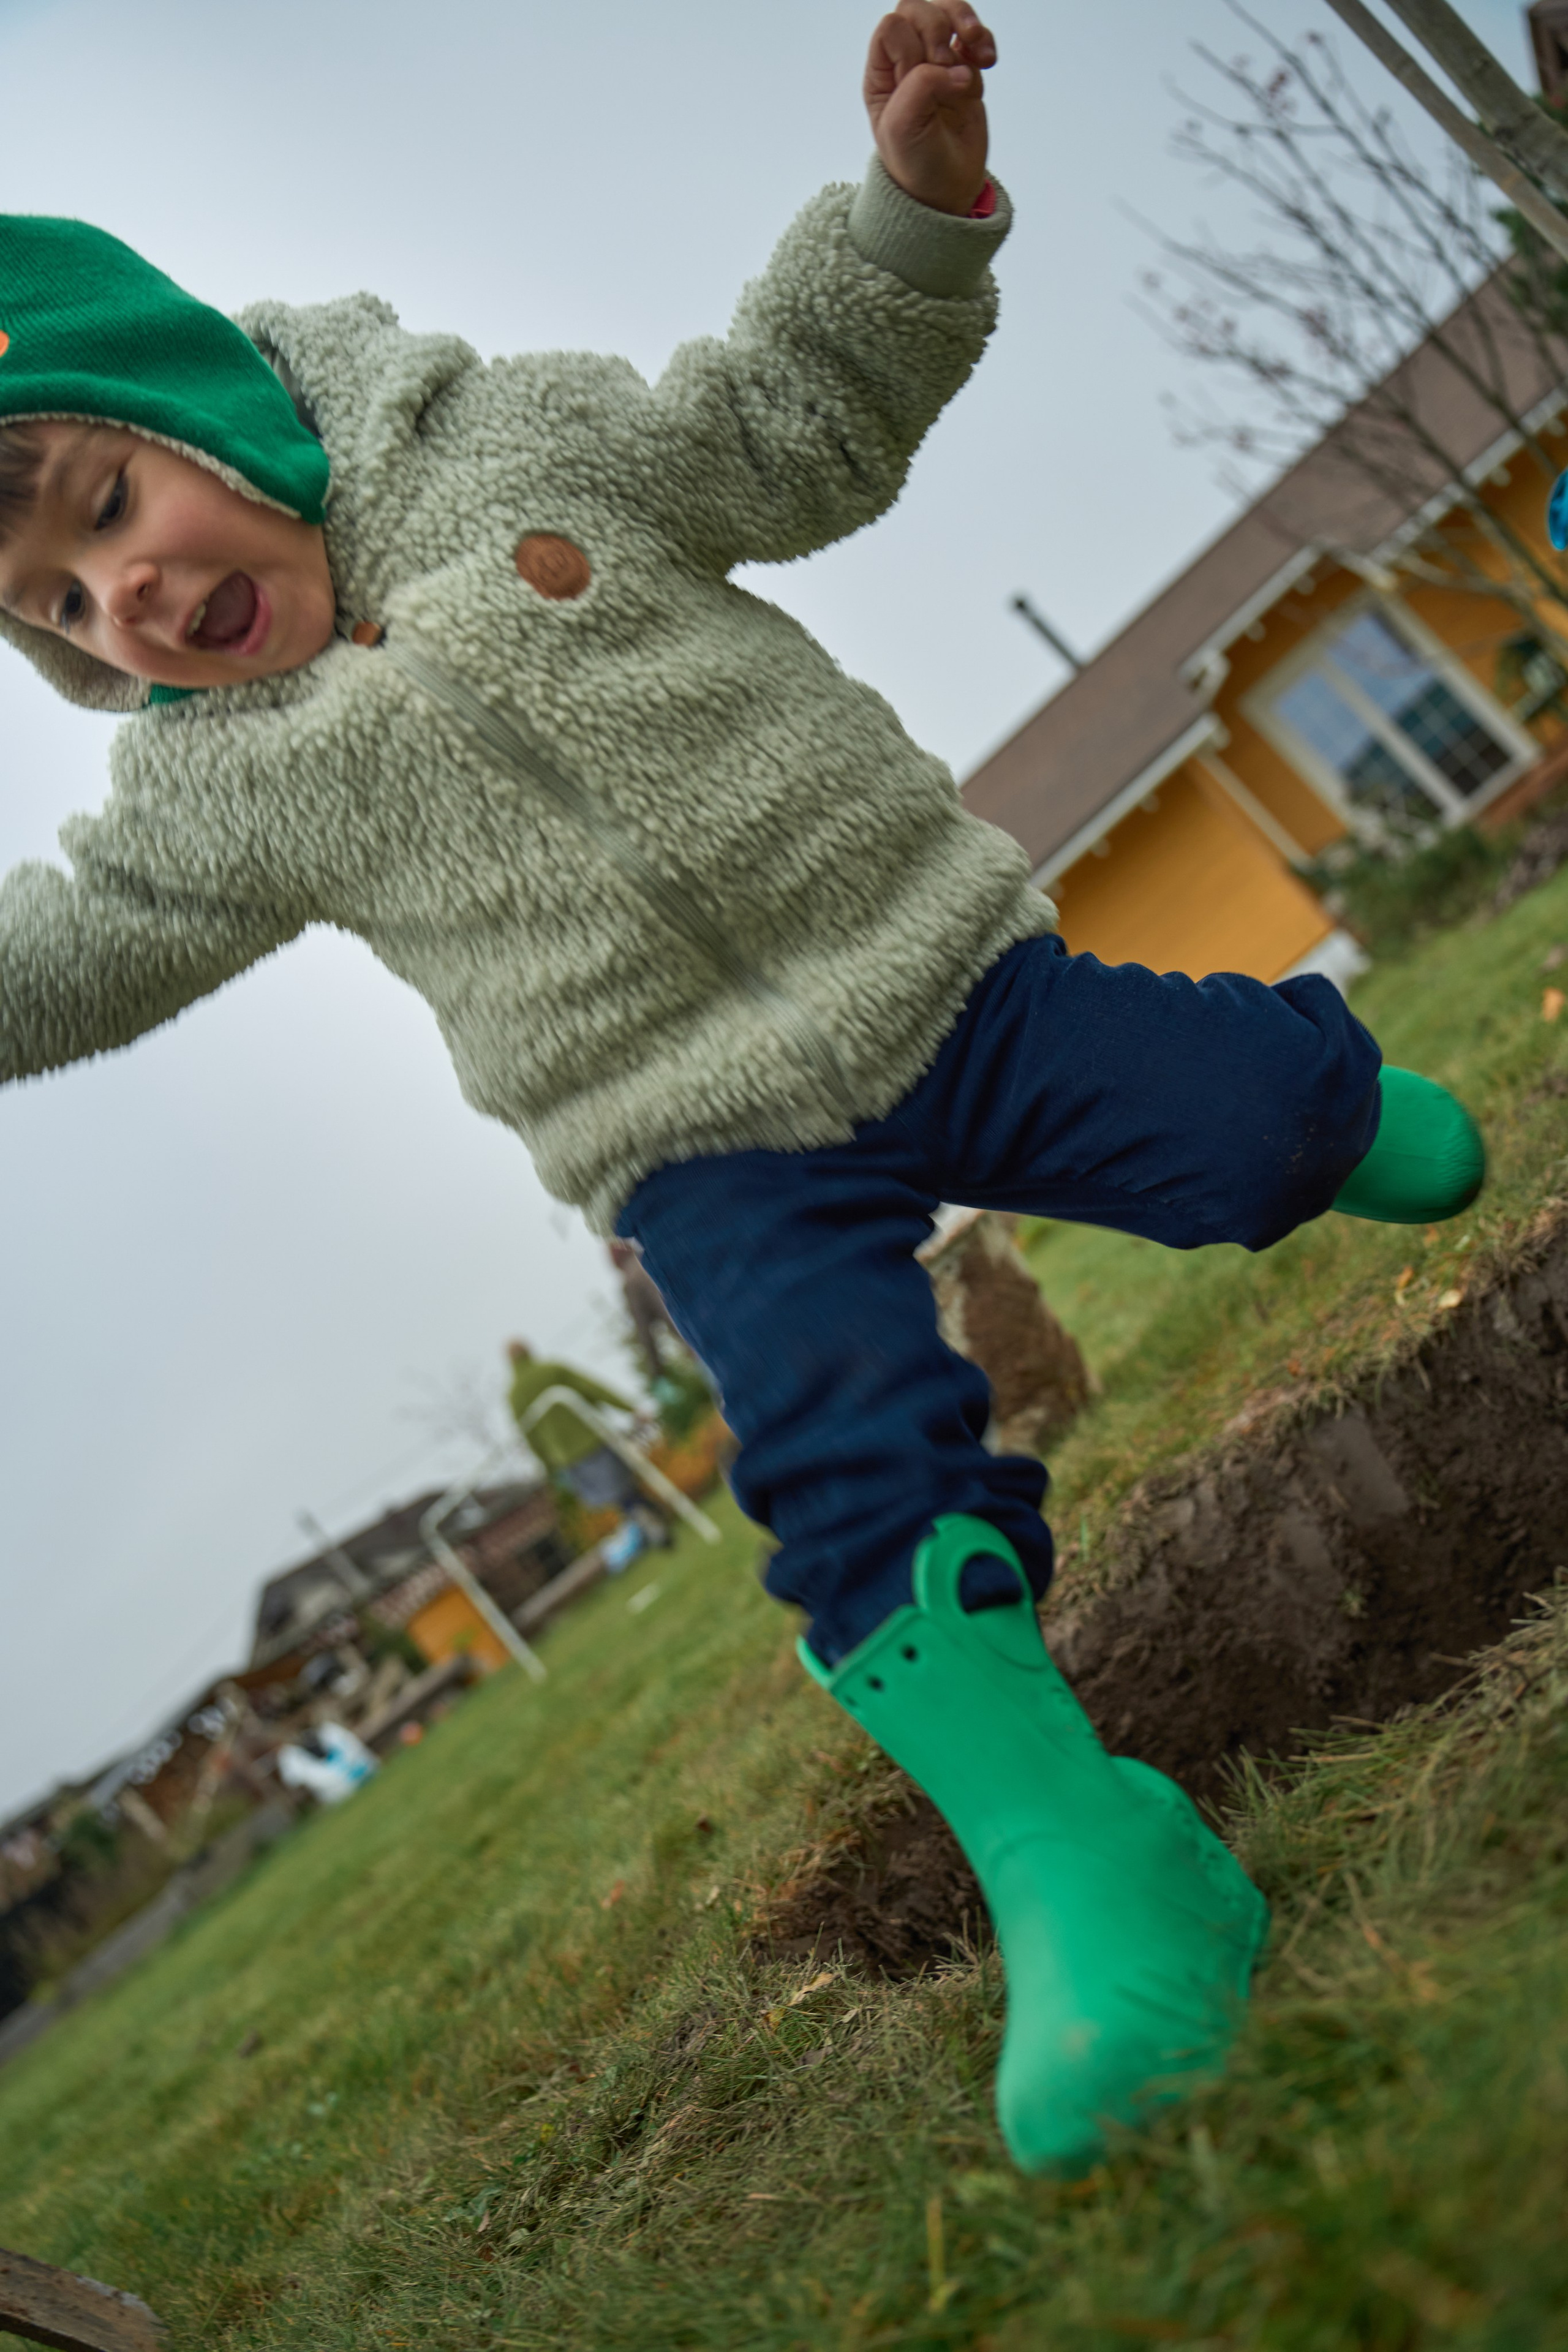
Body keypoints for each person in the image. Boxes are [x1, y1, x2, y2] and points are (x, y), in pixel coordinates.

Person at [0, 3, 1483, 2175]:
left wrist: (910, 217)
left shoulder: (517, 446)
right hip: (701, 1152)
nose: (118, 595)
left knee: (1249, 1136)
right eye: (55, 599)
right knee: (844, 1470)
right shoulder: (210, 792)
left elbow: (787, 425)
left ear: (207, 401)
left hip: (944, 976)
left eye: (111, 502)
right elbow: (69, 947)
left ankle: (1324, 1109)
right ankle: (1086, 1857)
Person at [504, 1341, 668, 1557]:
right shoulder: (552, 1370)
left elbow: (530, 1437)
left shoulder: (514, 1396)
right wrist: (630, 1408)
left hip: (566, 1457)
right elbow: (592, 1388)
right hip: (593, 1437)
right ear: (529, 1351)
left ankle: (645, 1519)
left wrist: (548, 1468)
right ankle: (647, 1517)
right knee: (624, 1485)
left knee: (614, 1493)